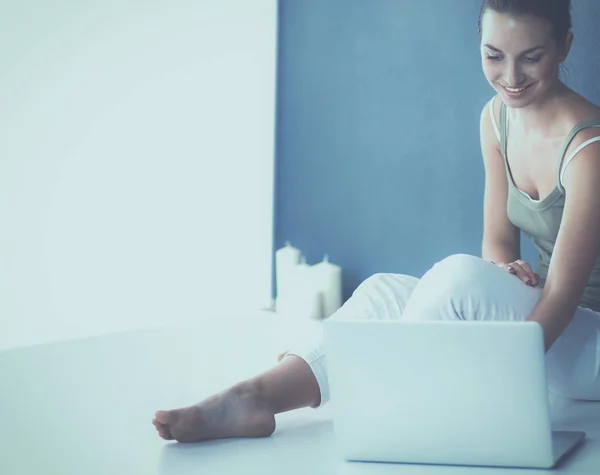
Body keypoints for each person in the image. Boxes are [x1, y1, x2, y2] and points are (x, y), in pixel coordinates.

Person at [152, 0, 600, 443]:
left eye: (531, 58)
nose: (511, 77)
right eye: (493, 55)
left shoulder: (589, 146)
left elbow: (561, 298)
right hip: (553, 332)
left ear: (564, 46)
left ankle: (396, 413)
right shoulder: (496, 118)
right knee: (384, 291)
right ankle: (254, 397)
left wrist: (498, 375)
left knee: (459, 279)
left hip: (587, 342)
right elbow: (498, 242)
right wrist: (501, 276)